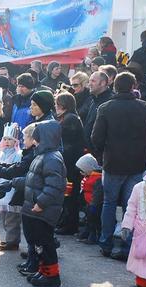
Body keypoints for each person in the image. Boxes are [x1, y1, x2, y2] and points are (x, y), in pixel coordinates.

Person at [91, 71, 146, 260]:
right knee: (131, 206)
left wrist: (102, 155)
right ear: (134, 86)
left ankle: (106, 242)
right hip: (137, 163)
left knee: (109, 203)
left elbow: (96, 137)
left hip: (113, 163)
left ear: (114, 86)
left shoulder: (106, 108)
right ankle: (127, 246)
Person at [12, 120, 67, 287]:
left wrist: (41, 203)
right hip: (35, 208)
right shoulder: (42, 156)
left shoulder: (52, 159)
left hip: (43, 210)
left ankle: (52, 275)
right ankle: (43, 271)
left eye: (37, 138)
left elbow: (54, 186)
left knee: (45, 243)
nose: (34, 141)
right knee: (38, 242)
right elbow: (33, 180)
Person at [120, 126, 146, 287]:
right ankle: (143, 283)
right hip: (141, 231)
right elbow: (131, 207)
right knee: (141, 258)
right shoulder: (139, 187)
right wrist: (126, 226)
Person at [54, 92, 85, 235]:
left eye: (57, 104)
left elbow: (66, 142)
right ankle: (65, 222)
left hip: (71, 163)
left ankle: (70, 224)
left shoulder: (70, 119)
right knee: (68, 195)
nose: (55, 107)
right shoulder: (69, 118)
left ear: (64, 105)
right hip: (70, 162)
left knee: (70, 195)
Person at [0, 123, 22, 250]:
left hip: (11, 188)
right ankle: (9, 238)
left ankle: (12, 241)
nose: (7, 142)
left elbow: (14, 170)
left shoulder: (18, 154)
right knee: (4, 214)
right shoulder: (1, 153)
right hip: (2, 187)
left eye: (10, 140)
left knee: (12, 216)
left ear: (15, 141)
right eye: (5, 139)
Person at [75, 154, 103, 244]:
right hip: (89, 203)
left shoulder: (97, 178)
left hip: (94, 205)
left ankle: (93, 236)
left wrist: (93, 205)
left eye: (82, 170)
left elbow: (97, 194)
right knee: (89, 220)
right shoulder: (89, 177)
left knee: (94, 222)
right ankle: (88, 233)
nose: (81, 173)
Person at [83, 71, 113, 151]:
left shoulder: (110, 102)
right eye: (89, 81)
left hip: (101, 152)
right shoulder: (93, 100)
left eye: (93, 81)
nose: (89, 84)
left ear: (103, 83)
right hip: (89, 150)